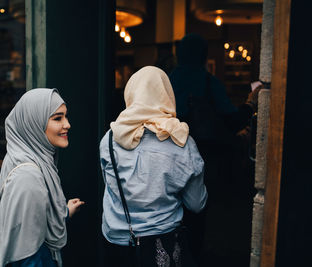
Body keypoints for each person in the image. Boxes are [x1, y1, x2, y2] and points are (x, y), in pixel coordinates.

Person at [100, 66, 208, 267]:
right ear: (167, 95)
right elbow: (196, 204)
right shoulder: (182, 143)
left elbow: (111, 186)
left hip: (116, 243)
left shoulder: (110, 138)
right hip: (162, 245)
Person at [169, 33, 260, 266]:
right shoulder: (209, 83)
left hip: (167, 158)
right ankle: (193, 258)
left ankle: (171, 256)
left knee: (170, 213)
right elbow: (232, 121)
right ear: (203, 55)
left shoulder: (166, 82)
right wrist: (251, 102)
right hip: (203, 157)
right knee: (198, 213)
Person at [0, 88, 84, 267]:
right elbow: (25, 255)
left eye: (65, 116)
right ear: (34, 124)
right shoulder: (29, 178)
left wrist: (64, 213)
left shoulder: (19, 157)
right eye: (57, 118)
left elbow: (28, 223)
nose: (67, 124)